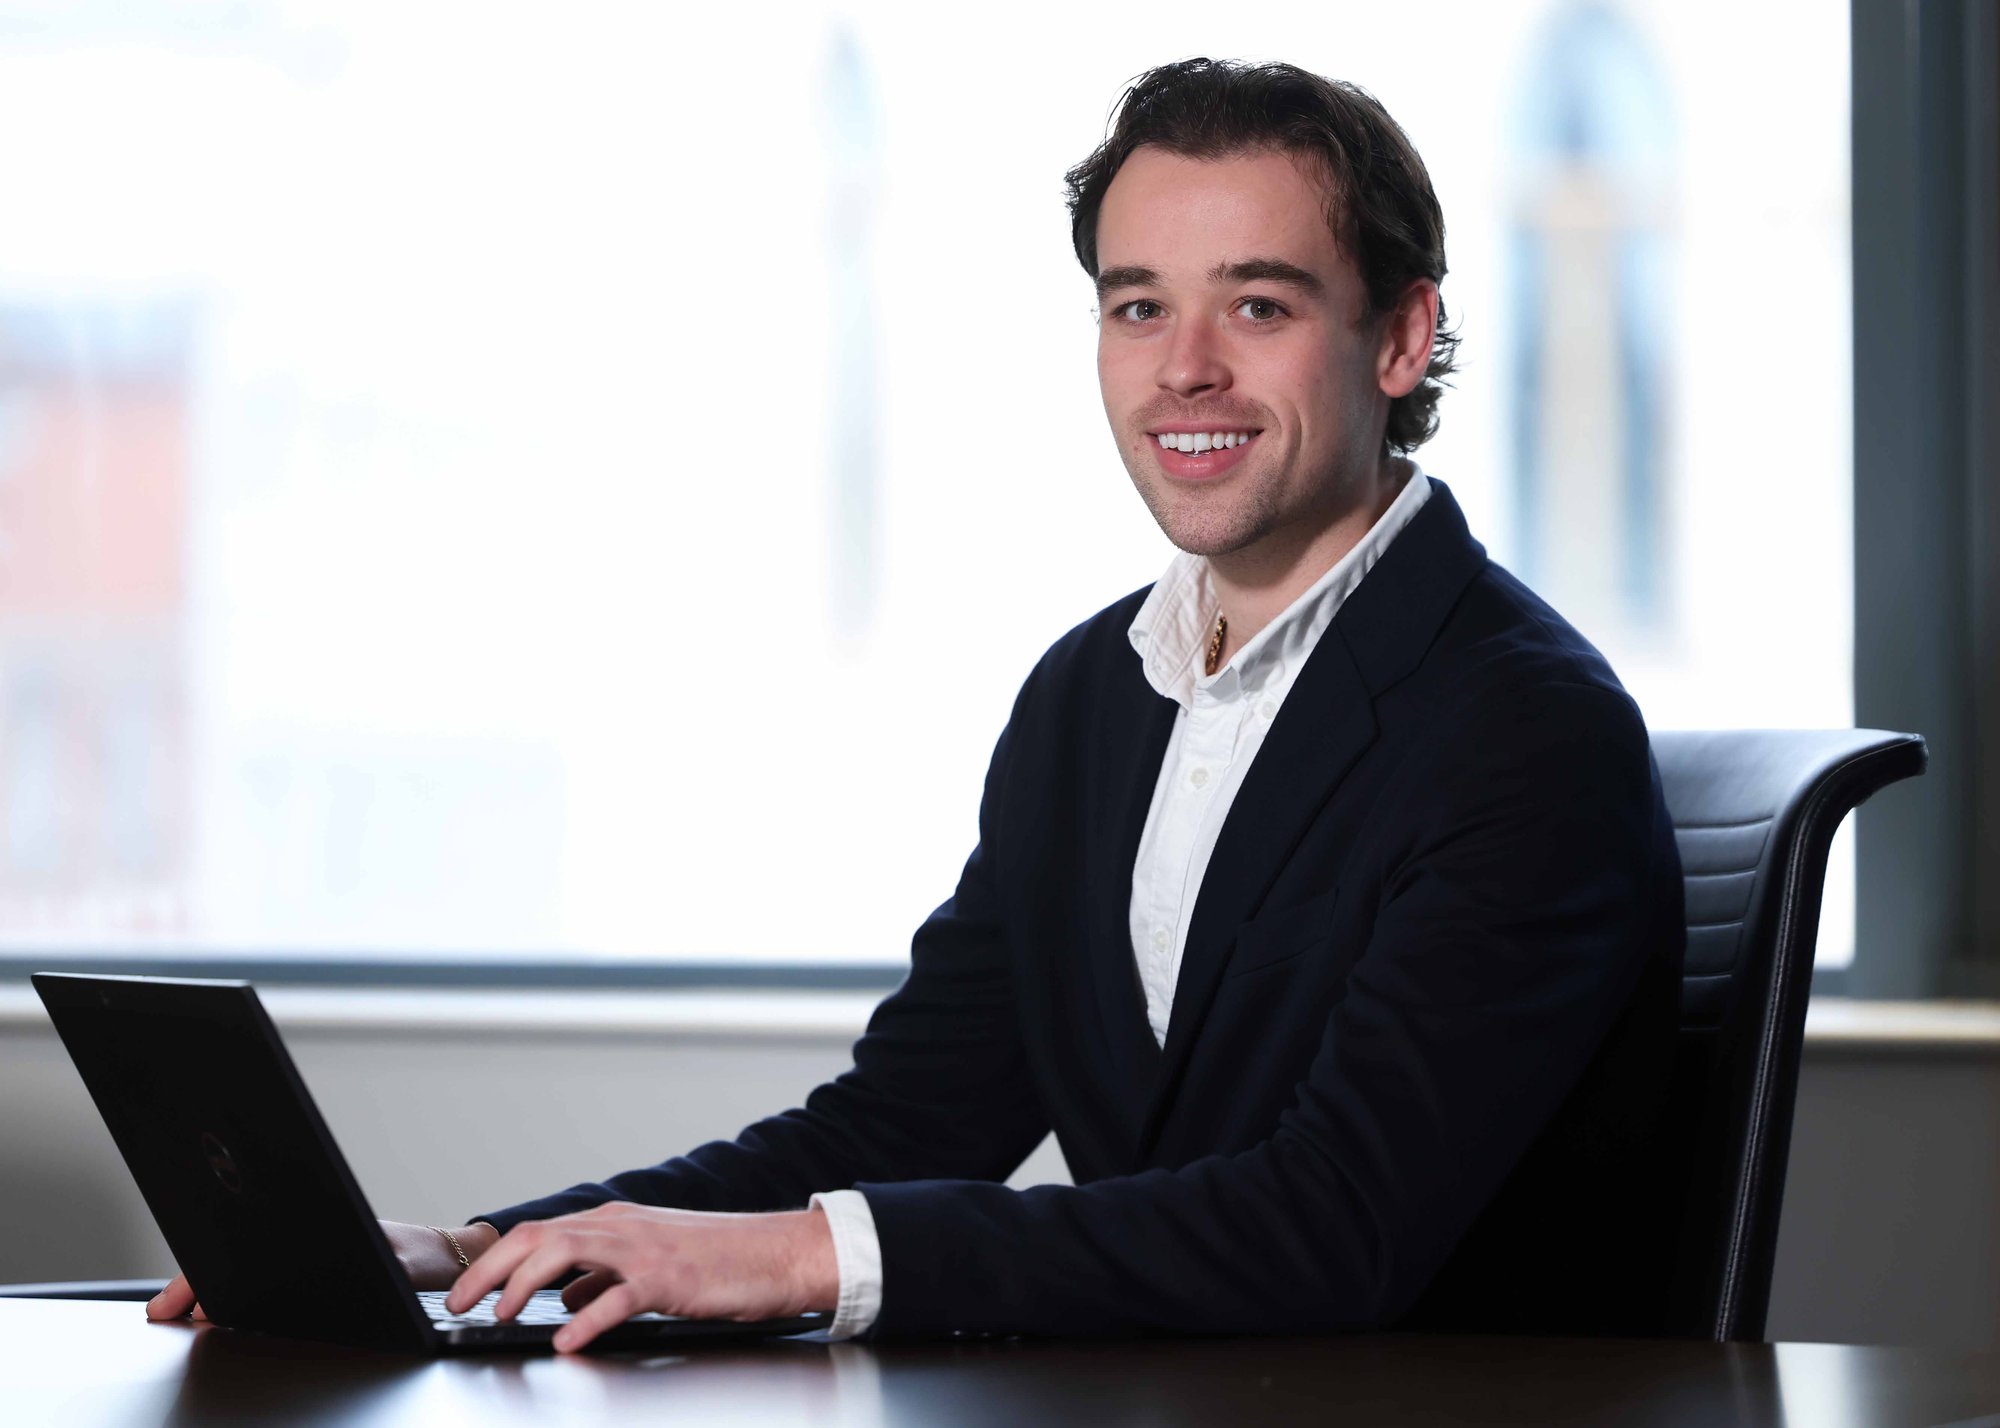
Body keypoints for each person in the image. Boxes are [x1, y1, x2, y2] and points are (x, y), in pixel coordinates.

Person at [150, 58, 1684, 1349]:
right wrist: (496, 1245)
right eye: (1138, 308)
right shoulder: (1095, 694)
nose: (1184, 373)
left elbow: (1333, 1226)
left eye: (1261, 307)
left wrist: (806, 1260)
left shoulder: (1523, 732)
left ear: (1402, 337)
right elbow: (906, 1121)